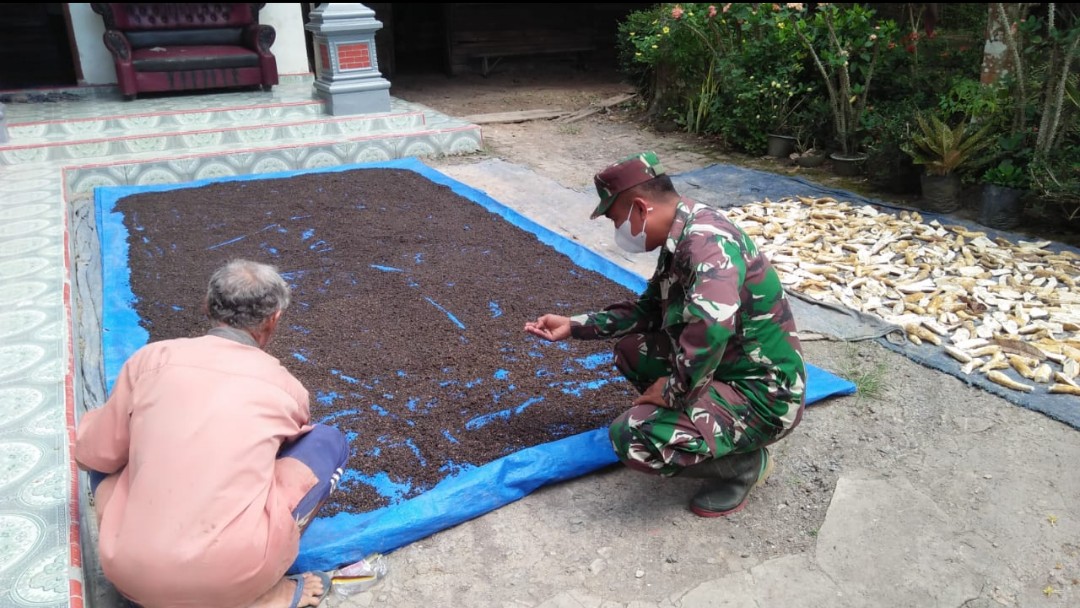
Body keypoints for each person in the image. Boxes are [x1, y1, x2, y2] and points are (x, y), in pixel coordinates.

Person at [524, 151, 806, 517]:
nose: (617, 230)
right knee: (632, 350)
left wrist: (672, 391)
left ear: (640, 209)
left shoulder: (706, 245)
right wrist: (575, 324)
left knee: (630, 438)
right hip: (729, 366)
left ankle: (743, 467)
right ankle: (704, 424)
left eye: (615, 219)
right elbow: (651, 310)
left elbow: (711, 329)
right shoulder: (682, 235)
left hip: (764, 393)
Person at [75, 259, 349, 608]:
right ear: (273, 319)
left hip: (131, 576)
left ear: (206, 306)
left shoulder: (151, 359)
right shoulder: (285, 387)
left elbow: (91, 455)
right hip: (234, 579)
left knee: (107, 438)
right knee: (328, 442)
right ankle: (265, 593)